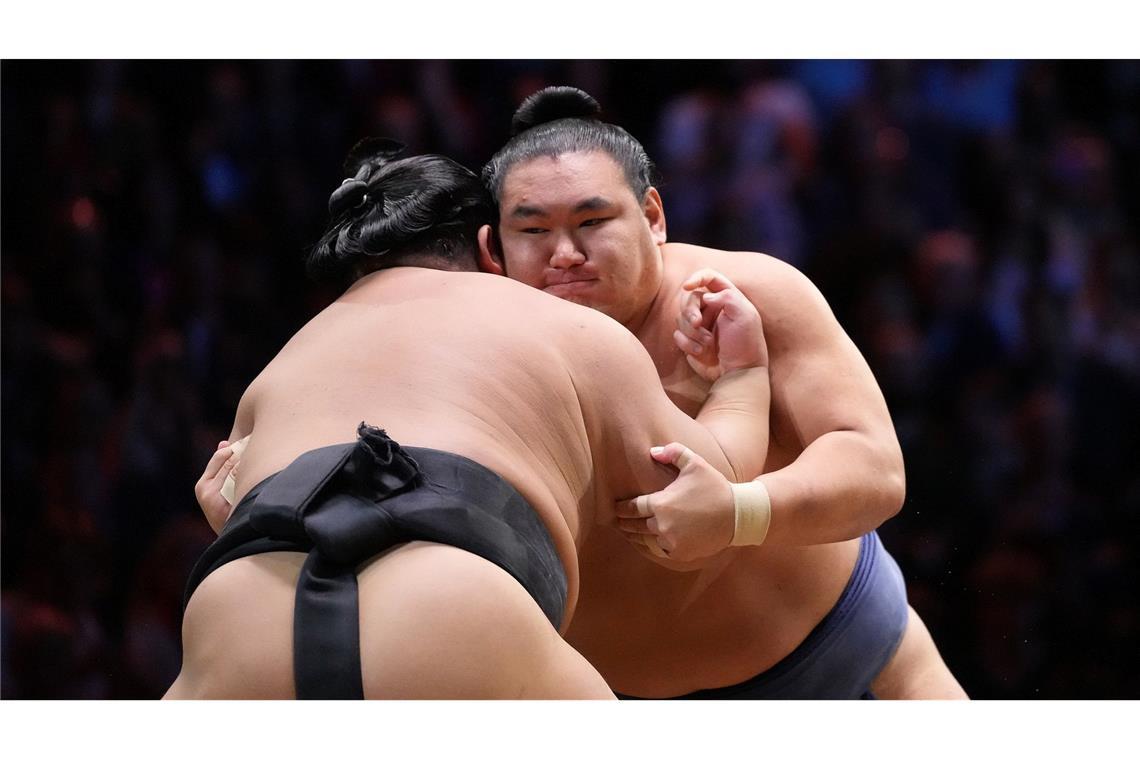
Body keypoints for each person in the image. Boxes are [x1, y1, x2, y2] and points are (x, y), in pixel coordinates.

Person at [167, 138, 773, 699]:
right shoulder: (564, 324)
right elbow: (706, 489)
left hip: (236, 613)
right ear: (491, 249)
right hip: (451, 604)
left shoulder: (281, 361)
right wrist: (743, 376)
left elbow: (227, 495)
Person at [475, 86, 966, 698]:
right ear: (493, 250)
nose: (566, 255)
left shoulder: (745, 295)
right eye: (534, 230)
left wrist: (741, 513)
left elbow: (875, 472)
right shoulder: (480, 352)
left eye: (593, 222)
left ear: (652, 217)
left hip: (848, 661)